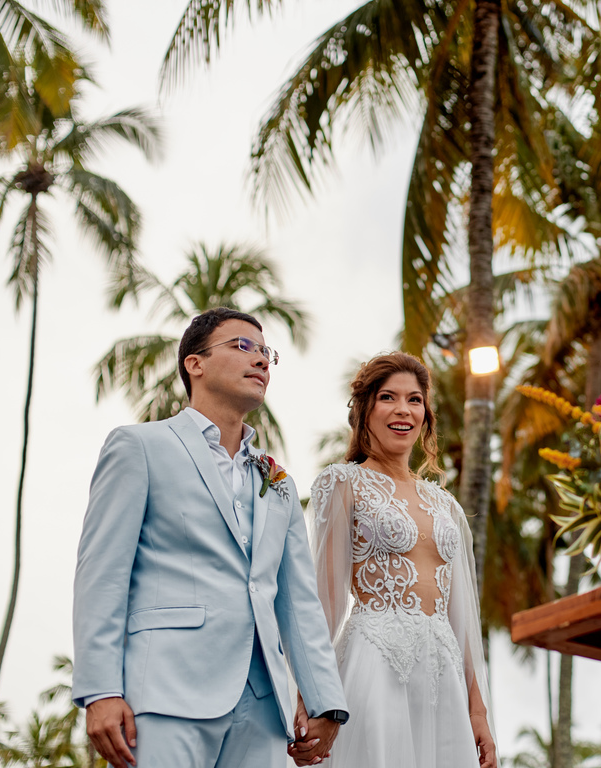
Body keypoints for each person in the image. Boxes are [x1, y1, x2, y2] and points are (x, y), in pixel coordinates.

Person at [72, 307, 348, 768]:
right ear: (194, 364)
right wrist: (100, 689)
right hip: (164, 692)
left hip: (262, 705)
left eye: (266, 353)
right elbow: (101, 574)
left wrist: (325, 700)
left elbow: (298, 600)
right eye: (243, 346)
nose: (261, 360)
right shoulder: (139, 447)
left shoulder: (277, 481)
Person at [304, 352, 498, 768]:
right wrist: (311, 695)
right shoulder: (342, 483)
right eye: (388, 397)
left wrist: (477, 711)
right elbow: (326, 601)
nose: (403, 410)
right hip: (374, 663)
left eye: (414, 399)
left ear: (425, 413)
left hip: (443, 674)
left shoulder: (445, 504)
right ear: (365, 410)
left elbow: (461, 616)